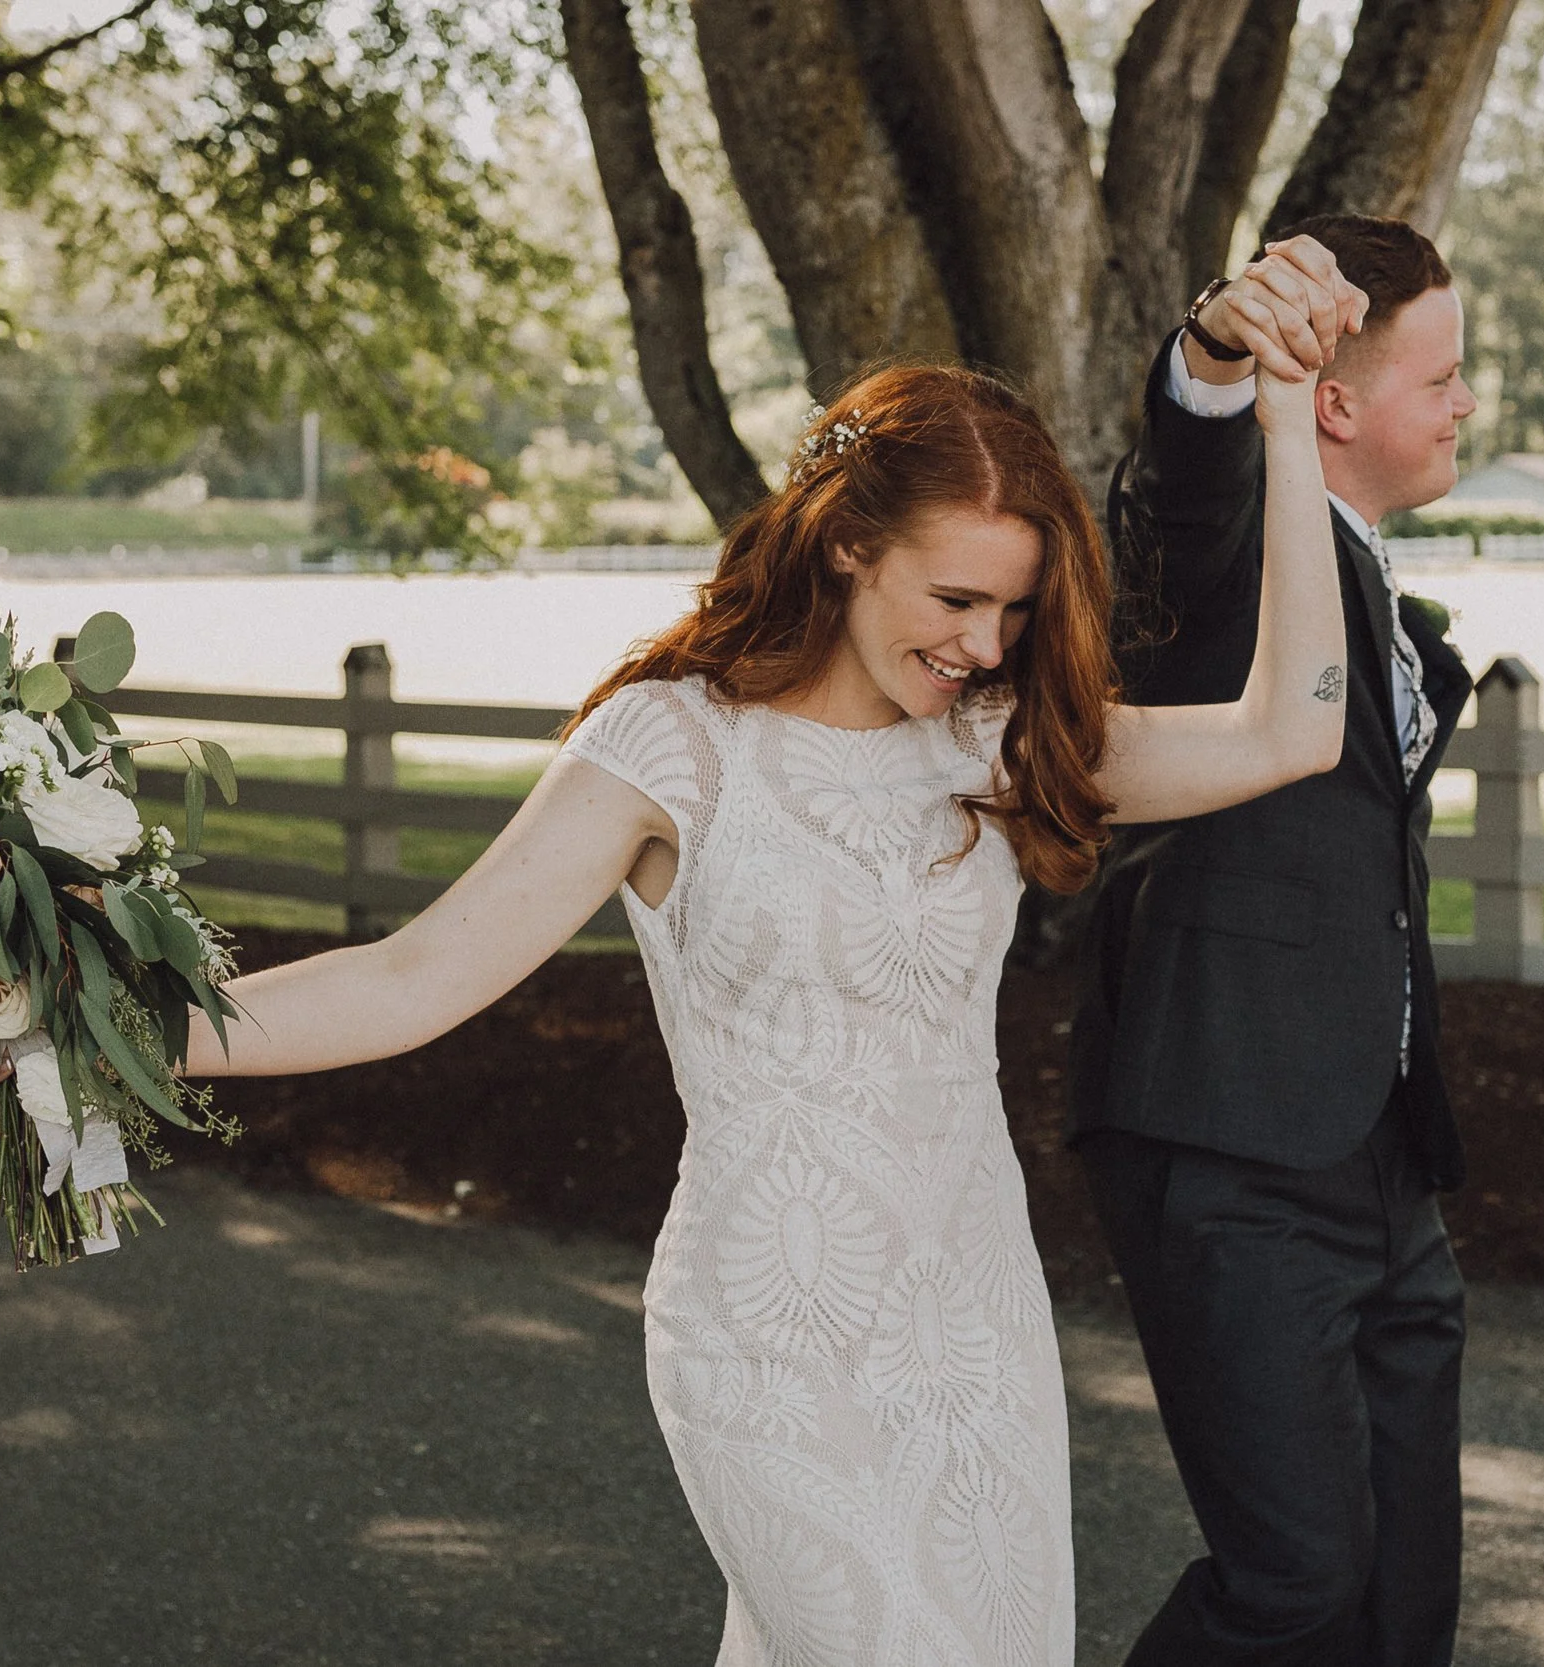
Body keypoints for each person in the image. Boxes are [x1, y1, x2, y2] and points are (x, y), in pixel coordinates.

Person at [188, 334, 1357, 1665]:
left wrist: (1286, 423)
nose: (985, 643)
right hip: (770, 1336)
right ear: (849, 543)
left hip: (975, 1321)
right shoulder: (673, 746)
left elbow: (1295, 729)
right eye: (957, 597)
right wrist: (113, 1031)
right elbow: (412, 979)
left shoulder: (996, 740)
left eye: (1016, 611)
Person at [1069, 215, 1481, 1667]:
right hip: (1229, 1137)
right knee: (1295, 1583)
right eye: (1442, 375)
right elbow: (1181, 475)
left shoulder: (1374, 581)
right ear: (1336, 405)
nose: (1467, 399)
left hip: (1382, 1152)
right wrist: (1217, 341)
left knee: (1404, 1592)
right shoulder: (1238, 540)